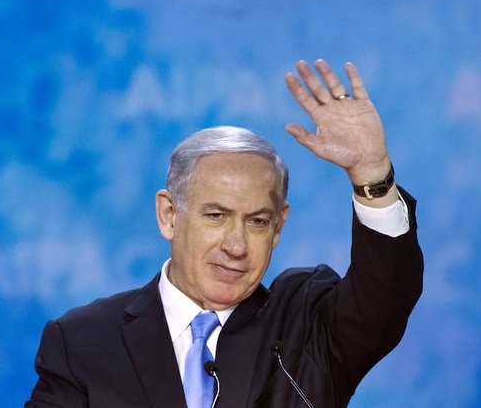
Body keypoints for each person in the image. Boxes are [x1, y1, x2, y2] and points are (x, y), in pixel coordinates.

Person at [25, 59, 423, 407]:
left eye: (257, 222)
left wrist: (372, 175)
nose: (236, 246)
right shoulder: (83, 342)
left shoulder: (307, 327)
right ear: (169, 215)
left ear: (279, 226)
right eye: (216, 215)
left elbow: (384, 296)